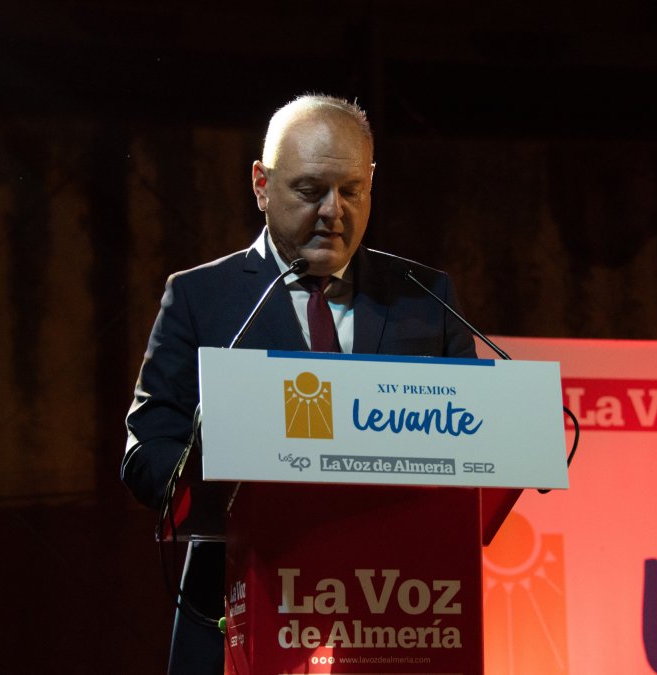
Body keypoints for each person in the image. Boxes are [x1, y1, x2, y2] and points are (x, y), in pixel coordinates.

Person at [121, 94, 478, 674]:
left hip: (397, 611)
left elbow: (475, 444)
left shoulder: (425, 298)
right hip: (239, 603)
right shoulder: (200, 298)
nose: (334, 211)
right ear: (262, 185)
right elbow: (146, 452)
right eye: (310, 191)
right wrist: (224, 488)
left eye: (352, 191)